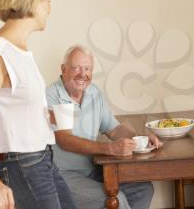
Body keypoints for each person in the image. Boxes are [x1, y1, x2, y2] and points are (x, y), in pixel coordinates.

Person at [0, 0, 76, 209]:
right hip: (23, 162)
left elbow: (14, 108)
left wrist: (45, 116)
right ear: (32, 1)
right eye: (47, 0)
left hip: (42, 158)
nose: (49, 8)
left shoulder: (21, 51)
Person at [46, 45, 163, 209]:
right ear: (64, 69)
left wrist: (141, 139)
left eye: (87, 69)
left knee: (142, 189)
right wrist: (110, 148)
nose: (83, 74)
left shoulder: (94, 92)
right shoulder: (53, 94)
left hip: (94, 171)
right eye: (77, 68)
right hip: (64, 175)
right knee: (117, 199)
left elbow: (113, 129)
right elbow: (65, 140)